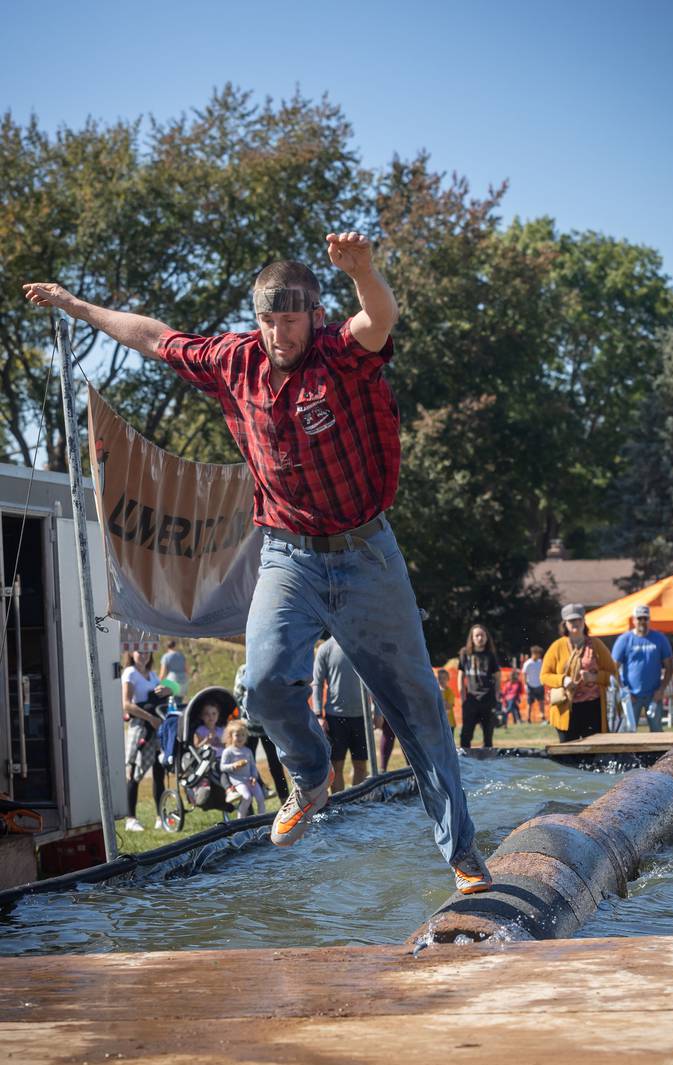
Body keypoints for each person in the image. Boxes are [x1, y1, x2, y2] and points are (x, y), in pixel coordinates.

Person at [24, 234, 491, 896]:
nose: (279, 334)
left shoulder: (339, 356)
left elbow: (378, 320)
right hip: (286, 554)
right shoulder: (233, 360)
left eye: (291, 320)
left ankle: (463, 853)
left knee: (416, 706)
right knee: (264, 683)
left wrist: (364, 272)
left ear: (313, 316)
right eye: (269, 320)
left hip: (366, 554)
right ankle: (309, 777)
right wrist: (77, 305)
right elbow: (154, 337)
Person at [541, 604, 617, 743]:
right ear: (565, 624)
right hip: (566, 708)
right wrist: (563, 680)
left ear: (584, 622)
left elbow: (613, 674)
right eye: (571, 621)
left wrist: (594, 677)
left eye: (578, 620)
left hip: (593, 707)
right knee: (568, 754)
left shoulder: (596, 644)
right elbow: (544, 675)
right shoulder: (557, 647)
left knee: (594, 752)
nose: (575, 624)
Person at [312, 636, 368, 793]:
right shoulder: (326, 648)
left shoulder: (363, 644)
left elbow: (375, 678)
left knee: (361, 765)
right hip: (335, 717)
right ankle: (341, 809)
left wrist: (378, 711)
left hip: (361, 716)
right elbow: (317, 683)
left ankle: (359, 805)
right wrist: (318, 715)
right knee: (336, 767)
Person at [121, 650, 169, 831]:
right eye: (139, 651)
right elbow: (126, 704)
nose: (143, 654)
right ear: (131, 653)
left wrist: (168, 689)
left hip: (155, 727)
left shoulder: (153, 675)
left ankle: (160, 816)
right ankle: (131, 819)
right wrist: (150, 718)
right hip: (140, 726)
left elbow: (172, 690)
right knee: (134, 772)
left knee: (159, 771)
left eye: (147, 651)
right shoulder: (130, 673)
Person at [611, 604, 673, 732]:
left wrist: (661, 689)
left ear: (649, 620)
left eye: (645, 618)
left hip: (654, 695)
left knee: (657, 732)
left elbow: (670, 666)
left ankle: (657, 753)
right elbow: (613, 668)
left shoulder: (659, 638)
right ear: (633, 620)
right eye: (639, 618)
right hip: (631, 695)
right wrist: (624, 690)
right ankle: (629, 754)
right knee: (629, 732)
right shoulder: (624, 640)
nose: (642, 622)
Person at [233, 663, 290, 801]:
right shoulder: (244, 669)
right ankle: (252, 799)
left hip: (268, 726)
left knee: (275, 764)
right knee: (246, 764)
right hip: (248, 727)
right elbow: (237, 695)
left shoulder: (269, 667)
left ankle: (285, 798)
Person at [457, 625, 501, 749]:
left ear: (487, 637)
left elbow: (498, 676)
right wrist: (462, 694)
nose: (480, 638)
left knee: (488, 736)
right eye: (477, 635)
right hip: (471, 699)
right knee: (465, 735)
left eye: (482, 635)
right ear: (472, 637)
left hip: (488, 699)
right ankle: (465, 764)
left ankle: (487, 765)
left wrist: (498, 694)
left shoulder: (491, 655)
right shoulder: (465, 653)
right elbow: (460, 675)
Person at [220, 720, 267, 818]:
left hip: (249, 779)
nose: (240, 738)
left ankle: (262, 819)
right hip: (238, 781)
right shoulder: (228, 752)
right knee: (247, 797)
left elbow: (253, 766)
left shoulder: (248, 751)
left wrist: (254, 777)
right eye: (237, 735)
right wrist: (233, 766)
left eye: (243, 735)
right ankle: (240, 819)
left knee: (260, 797)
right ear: (231, 736)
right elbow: (222, 767)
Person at [521, 646, 545, 722]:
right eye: (537, 654)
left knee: (541, 702)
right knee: (529, 703)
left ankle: (543, 717)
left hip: (539, 685)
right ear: (533, 653)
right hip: (530, 686)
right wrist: (525, 685)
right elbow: (524, 674)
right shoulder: (527, 663)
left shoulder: (541, 662)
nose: (539, 655)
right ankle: (528, 718)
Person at [437, 669, 456, 736]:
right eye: (439, 678)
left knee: (449, 742)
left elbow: (449, 706)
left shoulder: (449, 692)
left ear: (448, 679)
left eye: (444, 678)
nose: (441, 680)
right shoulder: (436, 692)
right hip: (438, 723)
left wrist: (441, 697)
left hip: (449, 723)